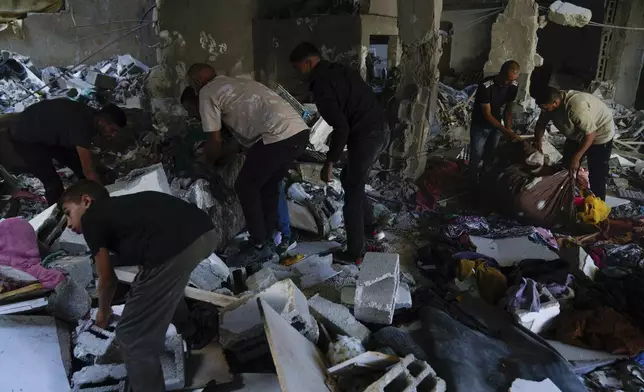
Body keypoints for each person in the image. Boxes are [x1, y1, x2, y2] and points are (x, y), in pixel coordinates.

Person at [59, 180, 217, 392]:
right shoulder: (124, 210)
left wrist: (103, 313)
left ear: (86, 201)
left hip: (177, 246)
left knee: (132, 336)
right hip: (205, 233)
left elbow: (107, 279)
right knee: (157, 284)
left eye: (68, 212)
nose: (68, 223)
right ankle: (190, 330)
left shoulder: (92, 218)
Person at [186, 64, 309, 266]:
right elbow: (235, 145)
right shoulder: (236, 84)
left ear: (197, 81)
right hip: (298, 133)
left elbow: (214, 141)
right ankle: (267, 240)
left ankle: (258, 245)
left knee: (245, 186)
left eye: (191, 84)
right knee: (268, 186)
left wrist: (204, 164)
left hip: (276, 135)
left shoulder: (207, 92)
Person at [290, 42, 387, 265]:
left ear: (309, 63)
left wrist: (329, 162)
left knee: (352, 191)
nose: (297, 73)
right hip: (378, 128)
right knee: (353, 180)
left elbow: (341, 128)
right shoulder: (340, 71)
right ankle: (370, 227)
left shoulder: (322, 86)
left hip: (366, 136)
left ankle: (355, 253)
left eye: (298, 68)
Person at [9, 98, 126, 205]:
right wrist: (106, 200)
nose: (112, 135)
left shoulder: (91, 116)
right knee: (53, 183)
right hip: (25, 137)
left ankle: (90, 194)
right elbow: (88, 171)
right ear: (102, 122)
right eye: (112, 130)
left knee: (76, 162)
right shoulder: (83, 125)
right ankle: (58, 216)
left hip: (46, 133)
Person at [535, 87, 615, 200]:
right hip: (577, 133)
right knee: (567, 167)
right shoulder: (548, 107)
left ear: (555, 102)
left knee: (597, 173)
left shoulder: (575, 107)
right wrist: (538, 144)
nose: (544, 110)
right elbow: (540, 125)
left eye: (545, 108)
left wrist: (577, 157)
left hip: (600, 133)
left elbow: (591, 134)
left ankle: (598, 205)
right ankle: (565, 197)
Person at [469, 60, 521, 185]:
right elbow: (487, 114)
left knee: (490, 154)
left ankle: (485, 181)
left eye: (512, 80)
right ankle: (471, 183)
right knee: (476, 155)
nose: (509, 83)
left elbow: (508, 110)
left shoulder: (513, 85)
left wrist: (509, 130)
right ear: (501, 73)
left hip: (496, 124)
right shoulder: (486, 85)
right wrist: (506, 131)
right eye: (507, 79)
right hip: (480, 124)